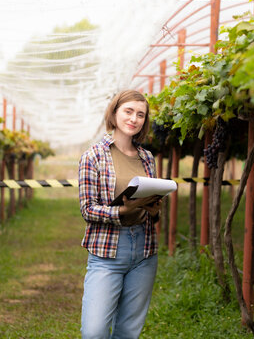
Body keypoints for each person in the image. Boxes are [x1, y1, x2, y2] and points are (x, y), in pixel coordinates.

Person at [78, 89, 161, 339]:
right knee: (94, 332)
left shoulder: (147, 158)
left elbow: (151, 200)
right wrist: (123, 210)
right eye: (128, 111)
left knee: (128, 332)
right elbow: (87, 208)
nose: (134, 119)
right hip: (107, 251)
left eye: (140, 115)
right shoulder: (93, 156)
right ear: (114, 113)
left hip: (144, 250)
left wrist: (154, 210)